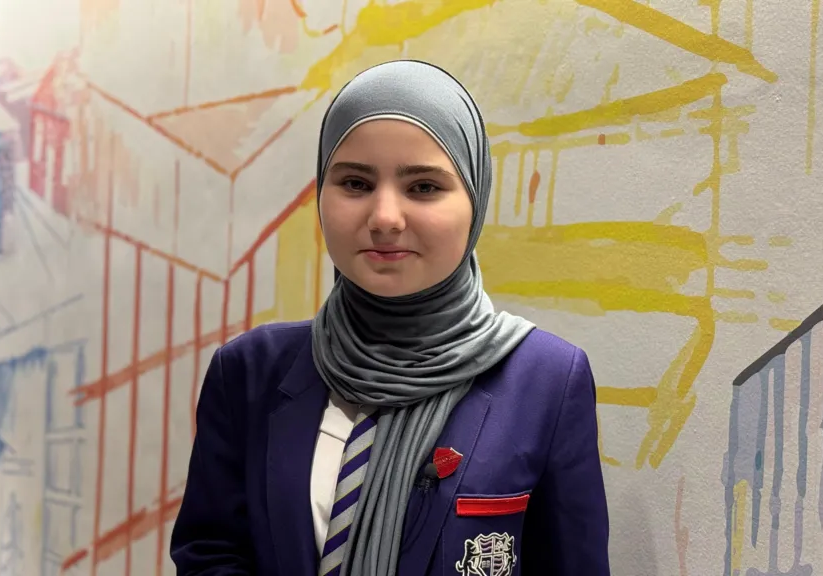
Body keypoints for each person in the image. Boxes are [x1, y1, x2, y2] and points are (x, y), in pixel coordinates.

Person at [170, 59, 610, 576]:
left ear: (475, 199)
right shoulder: (248, 372)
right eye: (355, 183)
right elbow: (211, 553)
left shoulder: (548, 381)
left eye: (423, 187)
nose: (384, 218)